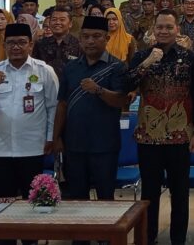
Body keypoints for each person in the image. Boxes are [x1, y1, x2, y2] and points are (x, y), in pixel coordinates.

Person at [0, 22, 58, 245]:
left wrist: (51, 137)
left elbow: (53, 107)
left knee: (32, 205)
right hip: (0, 150)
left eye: (21, 42)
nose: (16, 47)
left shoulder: (44, 70)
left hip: (33, 148)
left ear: (31, 44)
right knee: (3, 203)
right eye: (11, 43)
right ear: (4, 45)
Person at [125, 10, 194, 245]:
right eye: (159, 27)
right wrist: (147, 63)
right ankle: (147, 238)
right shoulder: (141, 56)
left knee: (179, 194)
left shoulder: (190, 59)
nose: (164, 31)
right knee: (149, 194)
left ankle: (178, 239)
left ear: (177, 29)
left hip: (181, 136)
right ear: (153, 29)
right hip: (148, 137)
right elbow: (126, 84)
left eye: (168, 27)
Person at [52, 16, 130, 245]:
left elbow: (120, 101)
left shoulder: (117, 67)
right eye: (85, 37)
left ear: (106, 38)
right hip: (74, 145)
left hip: (104, 145)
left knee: (105, 197)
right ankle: (81, 239)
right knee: (77, 198)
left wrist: (98, 90)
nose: (90, 41)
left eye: (96, 36)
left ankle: (106, 238)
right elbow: (63, 104)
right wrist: (56, 137)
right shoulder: (71, 67)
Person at [33, 6, 81, 81]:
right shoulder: (40, 44)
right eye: (54, 20)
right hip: (45, 86)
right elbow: (34, 69)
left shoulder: (79, 45)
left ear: (70, 24)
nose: (57, 23)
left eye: (62, 20)